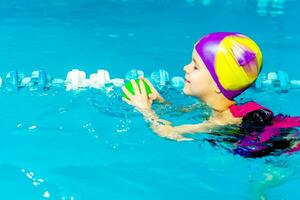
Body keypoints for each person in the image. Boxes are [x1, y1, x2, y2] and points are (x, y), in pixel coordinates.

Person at [121, 32, 300, 146]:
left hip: (287, 145)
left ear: (217, 83)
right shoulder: (216, 107)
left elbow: (169, 133)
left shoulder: (223, 120)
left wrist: (145, 110)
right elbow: (178, 113)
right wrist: (159, 100)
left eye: (195, 66)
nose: (186, 67)